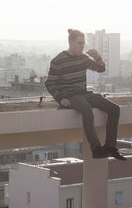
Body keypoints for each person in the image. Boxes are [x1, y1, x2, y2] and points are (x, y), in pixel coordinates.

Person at [45, 29, 126, 160]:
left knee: (114, 109)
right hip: (70, 96)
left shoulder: (83, 59)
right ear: (70, 42)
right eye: (79, 43)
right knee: (87, 111)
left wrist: (98, 58)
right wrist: (61, 99)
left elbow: (101, 69)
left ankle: (110, 146)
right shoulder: (58, 60)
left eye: (83, 43)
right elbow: (49, 83)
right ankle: (96, 149)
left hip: (84, 93)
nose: (82, 46)